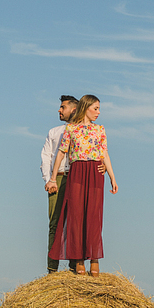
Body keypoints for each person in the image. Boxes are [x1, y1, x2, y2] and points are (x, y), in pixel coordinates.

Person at [46, 94, 118, 277]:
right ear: (85, 108)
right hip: (77, 172)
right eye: (95, 108)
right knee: (76, 216)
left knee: (94, 217)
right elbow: (61, 154)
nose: (98, 113)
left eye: (99, 109)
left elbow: (105, 154)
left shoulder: (100, 130)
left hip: (95, 173)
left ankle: (94, 259)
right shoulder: (71, 129)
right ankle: (79, 261)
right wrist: (52, 178)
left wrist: (112, 177)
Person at [40, 95, 78, 273]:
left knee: (76, 223)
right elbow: (46, 156)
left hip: (77, 178)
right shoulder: (54, 132)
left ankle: (74, 268)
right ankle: (52, 270)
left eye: (63, 107)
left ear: (74, 109)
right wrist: (48, 179)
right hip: (58, 178)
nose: (59, 110)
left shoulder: (84, 131)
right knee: (54, 223)